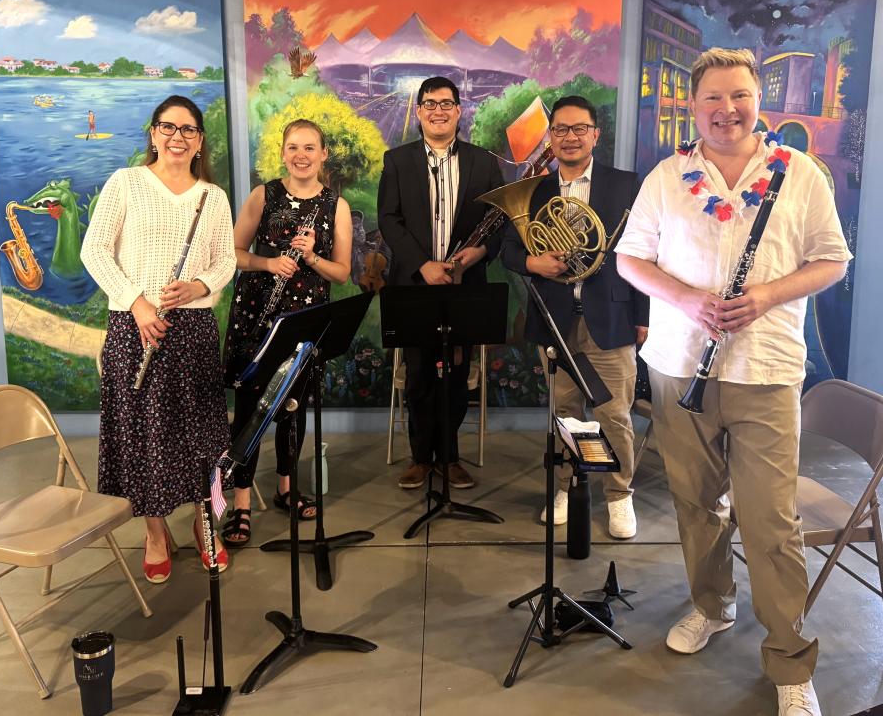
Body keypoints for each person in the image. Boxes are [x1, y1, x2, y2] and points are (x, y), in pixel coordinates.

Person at [615, 48, 851, 716]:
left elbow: (833, 260)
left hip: (766, 369)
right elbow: (630, 258)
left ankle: (790, 660)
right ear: (695, 107)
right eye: (713, 98)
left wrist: (767, 294)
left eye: (739, 95)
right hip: (678, 363)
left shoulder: (799, 174)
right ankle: (713, 604)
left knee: (771, 520)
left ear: (757, 101)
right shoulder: (667, 176)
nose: (727, 109)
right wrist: (688, 300)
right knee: (695, 502)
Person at [80, 94, 236, 584]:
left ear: (199, 141)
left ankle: (204, 520)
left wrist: (199, 286)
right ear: (153, 134)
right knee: (146, 436)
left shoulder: (213, 197)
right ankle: (154, 531)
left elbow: (226, 261)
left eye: (188, 129)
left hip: (192, 330)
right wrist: (137, 302)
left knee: (201, 433)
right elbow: (94, 251)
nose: (177, 137)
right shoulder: (126, 183)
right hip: (136, 326)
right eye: (168, 127)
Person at [499, 95, 648, 539]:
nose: (570, 137)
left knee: (614, 413)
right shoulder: (535, 189)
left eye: (579, 128)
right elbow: (509, 250)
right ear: (551, 136)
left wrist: (643, 316)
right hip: (556, 319)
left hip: (611, 316)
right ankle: (566, 486)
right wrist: (534, 263)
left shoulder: (626, 184)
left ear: (595, 135)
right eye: (561, 129)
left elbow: (644, 253)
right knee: (565, 413)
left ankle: (619, 494)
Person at [219, 119, 353, 546]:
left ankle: (286, 489)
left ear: (323, 154)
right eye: (293, 147)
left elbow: (343, 273)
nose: (301, 155)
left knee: (293, 408)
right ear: (282, 152)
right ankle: (241, 504)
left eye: (310, 147)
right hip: (256, 318)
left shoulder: (337, 206)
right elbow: (233, 253)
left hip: (305, 322)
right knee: (248, 409)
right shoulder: (264, 195)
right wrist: (268, 263)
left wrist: (311, 258)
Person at [377, 76, 504, 490]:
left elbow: (500, 221)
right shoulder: (397, 161)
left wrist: (476, 255)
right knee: (418, 374)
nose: (438, 111)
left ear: (458, 110)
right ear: (418, 112)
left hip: (465, 285)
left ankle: (449, 458)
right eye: (429, 103)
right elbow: (389, 220)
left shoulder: (484, 163)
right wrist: (422, 265)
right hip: (414, 286)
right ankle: (420, 458)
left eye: (446, 103)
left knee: (456, 373)